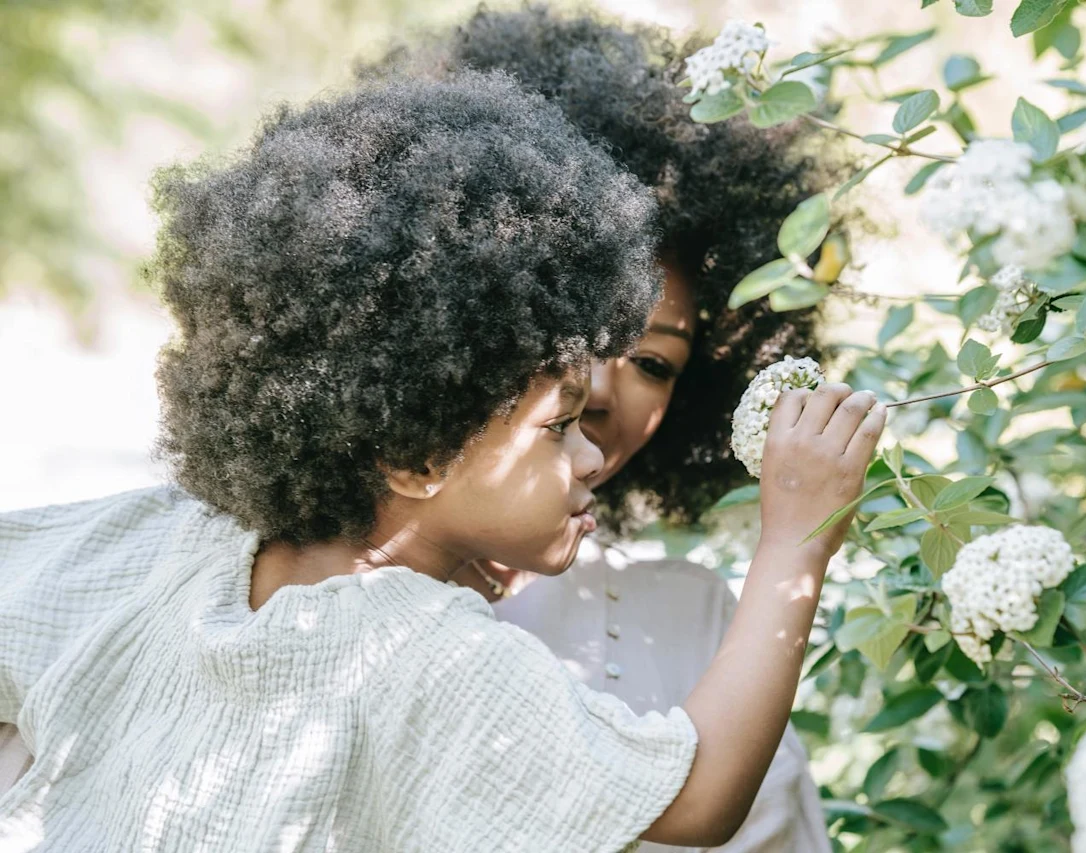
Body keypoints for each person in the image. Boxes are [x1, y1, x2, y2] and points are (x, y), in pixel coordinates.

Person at [0, 70, 886, 851]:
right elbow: (698, 797)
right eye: (559, 423)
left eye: (651, 362)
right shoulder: (438, 657)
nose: (590, 448)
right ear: (418, 454)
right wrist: (794, 546)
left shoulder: (168, 546)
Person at [370, 9, 839, 850]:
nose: (600, 392)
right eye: (583, 331)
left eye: (655, 362)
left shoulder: (695, 622)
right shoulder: (266, 584)